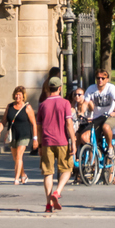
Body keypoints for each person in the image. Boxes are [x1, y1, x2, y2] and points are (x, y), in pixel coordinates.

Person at [36, 77, 75, 213]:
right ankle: (57, 192)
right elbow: (69, 124)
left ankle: (48, 205)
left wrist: (40, 145)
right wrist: (73, 142)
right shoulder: (65, 103)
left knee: (48, 173)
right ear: (60, 88)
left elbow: (39, 127)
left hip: (47, 142)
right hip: (62, 141)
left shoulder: (42, 105)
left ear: (48, 88)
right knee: (67, 169)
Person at [0, 85, 35, 185]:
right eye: (16, 94)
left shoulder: (27, 107)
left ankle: (16, 178)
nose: (17, 97)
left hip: (24, 134)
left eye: (19, 95)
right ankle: (23, 175)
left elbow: (34, 123)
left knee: (19, 156)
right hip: (13, 135)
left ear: (23, 96)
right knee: (16, 158)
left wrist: (35, 139)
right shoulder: (9, 107)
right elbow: (3, 120)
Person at [85, 69, 115, 159]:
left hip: (109, 116)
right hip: (96, 117)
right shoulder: (91, 89)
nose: (100, 80)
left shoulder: (111, 88)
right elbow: (84, 103)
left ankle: (110, 148)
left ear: (107, 79)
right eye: (98, 78)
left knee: (106, 127)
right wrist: (83, 114)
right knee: (88, 138)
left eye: (103, 78)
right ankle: (91, 164)